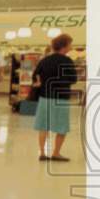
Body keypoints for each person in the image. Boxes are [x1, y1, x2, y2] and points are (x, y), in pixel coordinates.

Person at [31, 33, 78, 161]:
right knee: (61, 127)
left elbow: (35, 76)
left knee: (43, 126)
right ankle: (56, 153)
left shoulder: (45, 60)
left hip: (45, 96)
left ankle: (42, 153)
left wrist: (42, 82)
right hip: (61, 98)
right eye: (70, 44)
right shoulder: (67, 61)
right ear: (64, 46)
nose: (71, 46)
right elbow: (73, 79)